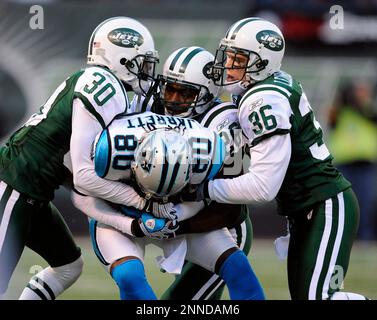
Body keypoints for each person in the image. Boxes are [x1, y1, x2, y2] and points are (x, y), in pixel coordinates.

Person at [183, 17, 368, 300]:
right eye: (229, 56)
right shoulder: (268, 85)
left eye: (238, 59)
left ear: (261, 62)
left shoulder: (262, 100)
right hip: (308, 206)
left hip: (325, 203)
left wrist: (202, 189)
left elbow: (262, 187)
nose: (228, 66)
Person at [0, 16, 171, 300]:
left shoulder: (101, 83)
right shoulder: (104, 87)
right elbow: (84, 175)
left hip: (33, 192)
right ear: (122, 59)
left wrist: (126, 216)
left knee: (68, 266)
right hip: (13, 185)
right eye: (142, 62)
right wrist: (141, 201)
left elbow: (77, 183)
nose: (146, 71)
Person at [72, 111, 265, 300]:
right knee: (129, 277)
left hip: (175, 214)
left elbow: (203, 200)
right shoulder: (111, 149)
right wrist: (131, 225)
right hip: (119, 212)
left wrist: (177, 217)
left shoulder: (208, 153)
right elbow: (82, 197)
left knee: (238, 267)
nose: (159, 197)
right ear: (134, 164)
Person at [138, 46, 255, 300]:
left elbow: (230, 209)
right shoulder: (152, 111)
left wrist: (174, 227)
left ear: (207, 93)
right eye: (170, 88)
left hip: (223, 229)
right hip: (182, 224)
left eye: (186, 93)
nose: (174, 99)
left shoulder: (223, 123)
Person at [327, 80, 377, 241]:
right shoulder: (342, 111)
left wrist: (360, 104)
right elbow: (331, 121)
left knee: (366, 202)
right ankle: (345, 236)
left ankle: (365, 237)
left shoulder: (369, 110)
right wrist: (342, 99)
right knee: (344, 202)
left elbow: (370, 117)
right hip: (344, 163)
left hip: (366, 164)